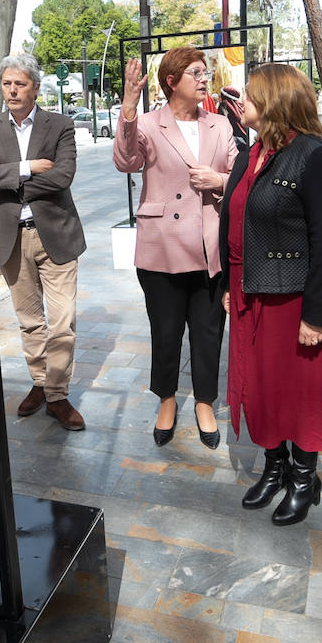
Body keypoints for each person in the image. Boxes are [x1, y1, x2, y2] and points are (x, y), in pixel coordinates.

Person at [219, 64, 322, 527]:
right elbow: (233, 222)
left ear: (274, 101)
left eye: (250, 96)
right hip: (250, 291)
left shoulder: (313, 157)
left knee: (300, 393)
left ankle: (302, 477)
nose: (241, 103)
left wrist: (314, 316)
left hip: (293, 299)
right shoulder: (250, 153)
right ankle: (274, 467)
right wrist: (227, 288)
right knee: (261, 387)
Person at [113, 47, 237, 448]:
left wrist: (218, 181)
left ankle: (204, 402)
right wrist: (129, 110)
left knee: (208, 331)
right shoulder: (148, 123)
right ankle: (166, 399)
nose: (204, 78)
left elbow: (237, 175)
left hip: (208, 246)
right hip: (162, 246)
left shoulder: (219, 125)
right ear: (171, 81)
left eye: (206, 72)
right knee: (165, 331)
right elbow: (127, 161)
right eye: (195, 72)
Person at [0, 54, 87, 431]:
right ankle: (40, 383)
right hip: (10, 238)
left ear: (36, 88)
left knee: (62, 323)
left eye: (20, 83)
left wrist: (3, 175)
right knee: (30, 322)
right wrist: (28, 168)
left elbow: (63, 177)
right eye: (7, 83)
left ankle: (57, 395)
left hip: (55, 235)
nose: (12, 90)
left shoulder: (59, 125)